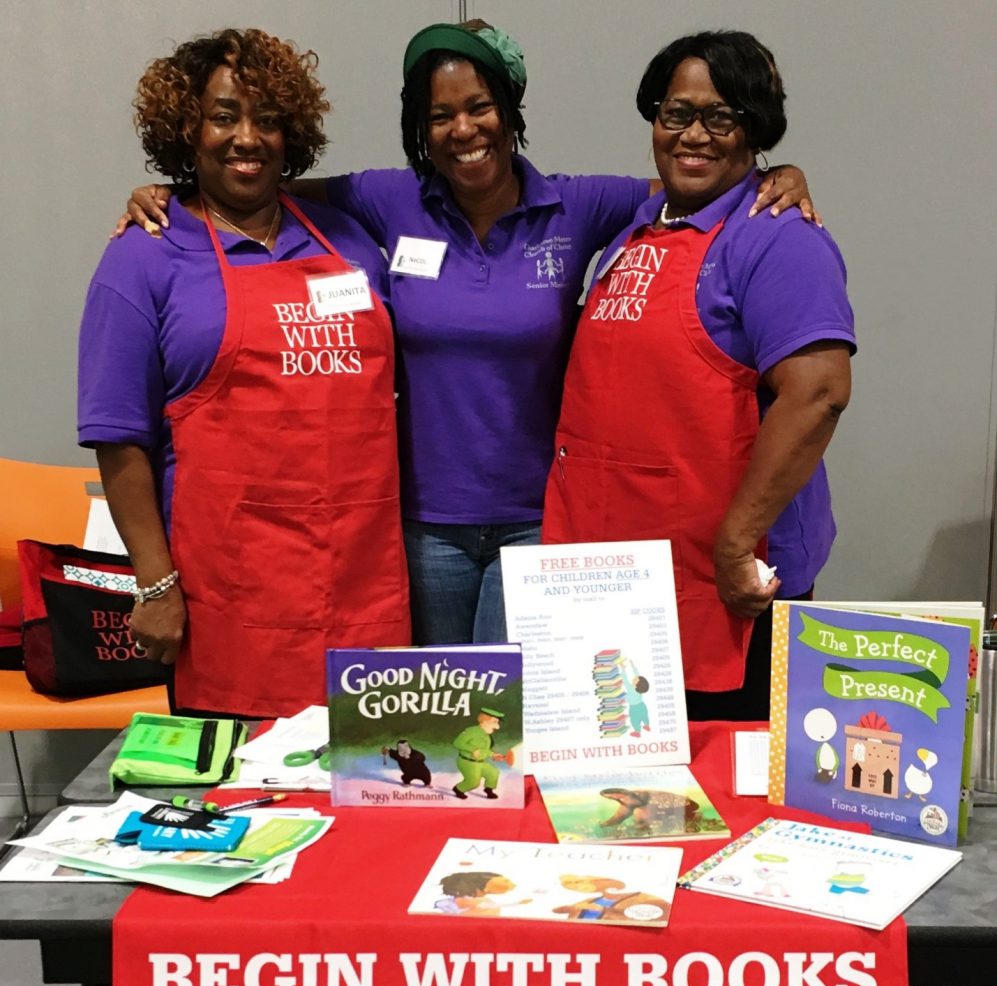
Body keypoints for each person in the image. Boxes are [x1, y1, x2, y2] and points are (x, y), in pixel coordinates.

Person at [120, 21, 817, 648]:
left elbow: (691, 178)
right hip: (422, 527)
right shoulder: (384, 200)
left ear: (508, 114)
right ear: (419, 130)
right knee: (443, 728)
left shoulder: (576, 204)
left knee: (509, 724)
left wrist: (778, 173)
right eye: (440, 115)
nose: (463, 129)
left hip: (538, 520)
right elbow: (262, 184)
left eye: (479, 107)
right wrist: (170, 194)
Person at [78, 29, 409, 719]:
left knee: (374, 798)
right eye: (224, 116)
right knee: (244, 813)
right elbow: (118, 438)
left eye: (266, 118)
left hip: (364, 588)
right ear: (186, 130)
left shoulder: (346, 240)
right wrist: (155, 586)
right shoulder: (144, 258)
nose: (247, 138)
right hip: (229, 599)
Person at [541, 30, 855, 721]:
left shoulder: (776, 235)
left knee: (724, 801)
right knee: (625, 798)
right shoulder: (636, 229)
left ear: (755, 128)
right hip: (619, 581)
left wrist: (736, 542)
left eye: (721, 116)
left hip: (718, 585)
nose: (695, 135)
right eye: (676, 113)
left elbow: (819, 392)